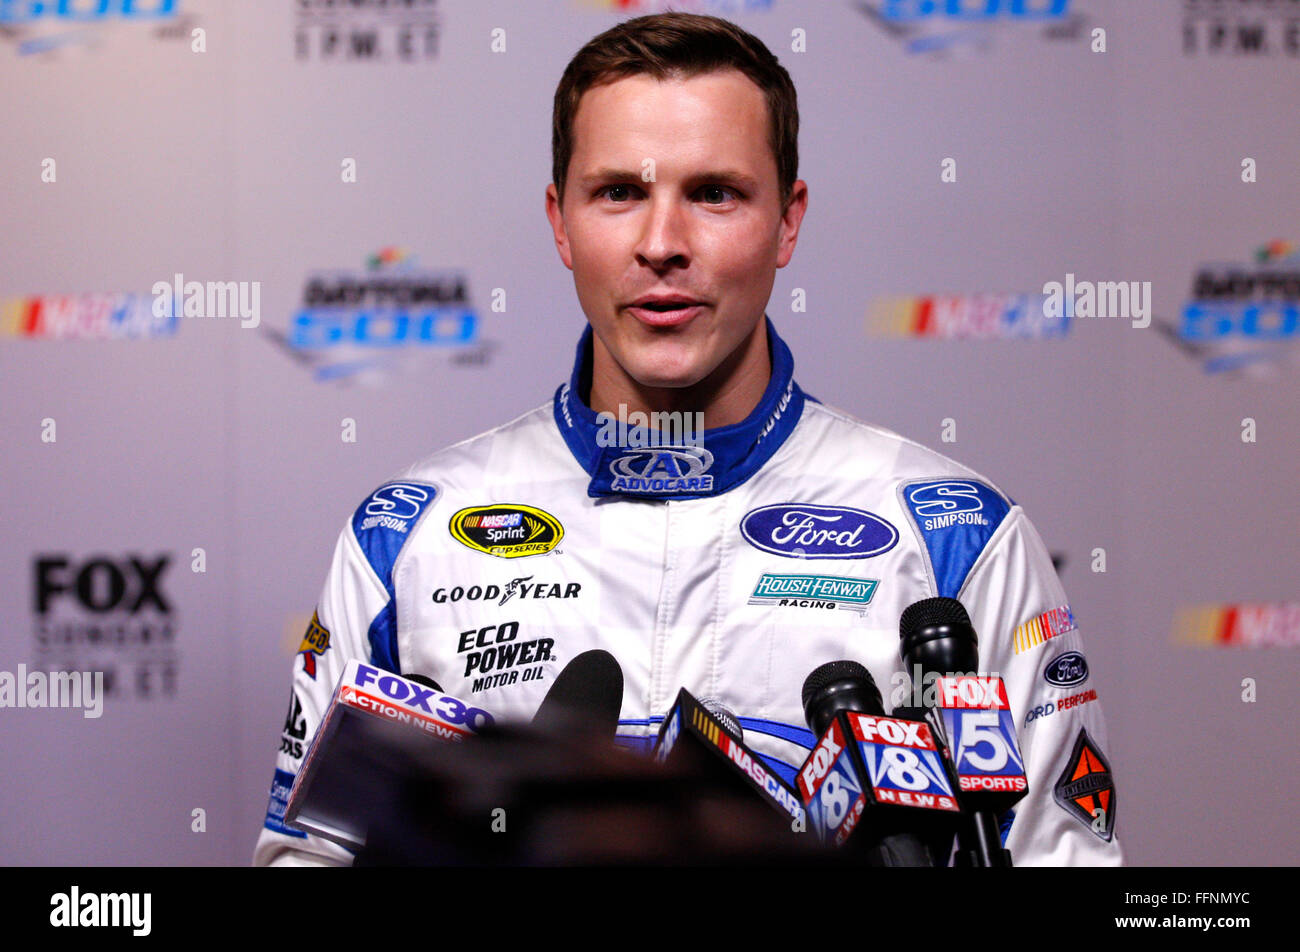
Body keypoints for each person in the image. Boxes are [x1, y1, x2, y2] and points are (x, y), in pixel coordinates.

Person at [254, 12, 1121, 866]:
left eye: (714, 193)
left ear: (788, 220)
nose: (663, 244)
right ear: (561, 221)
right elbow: (309, 859)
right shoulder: (410, 537)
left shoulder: (956, 539)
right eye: (620, 193)